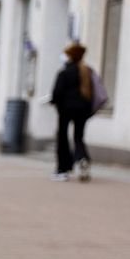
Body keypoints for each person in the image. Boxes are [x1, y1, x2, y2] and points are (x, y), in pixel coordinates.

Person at [50, 42, 93, 182]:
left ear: (69, 56)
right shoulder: (87, 71)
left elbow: (57, 93)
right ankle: (82, 158)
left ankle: (62, 169)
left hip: (65, 109)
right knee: (78, 137)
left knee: (62, 137)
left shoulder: (64, 72)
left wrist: (53, 101)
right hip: (83, 109)